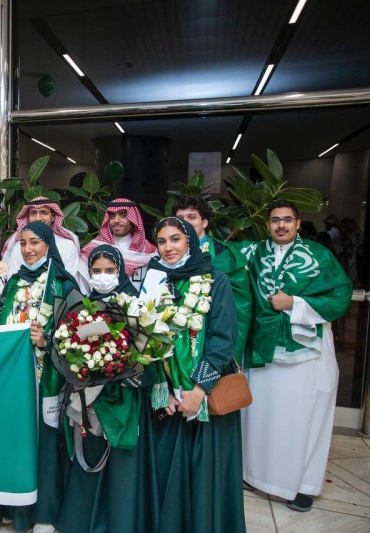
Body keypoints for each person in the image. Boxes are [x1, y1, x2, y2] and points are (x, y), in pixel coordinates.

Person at [241, 200, 352, 512]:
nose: (281, 225)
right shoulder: (252, 253)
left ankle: (303, 485)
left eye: (287, 220)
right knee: (260, 415)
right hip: (263, 347)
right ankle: (256, 475)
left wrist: (295, 303)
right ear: (267, 224)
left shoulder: (319, 256)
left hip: (305, 352)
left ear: (298, 223)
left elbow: (340, 296)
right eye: (275, 220)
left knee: (302, 418)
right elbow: (218, 258)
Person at [139, 216, 245, 533]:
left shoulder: (216, 280)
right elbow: (144, 337)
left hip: (204, 395)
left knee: (204, 473)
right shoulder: (152, 280)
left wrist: (199, 391)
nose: (168, 247)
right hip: (167, 397)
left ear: (190, 240)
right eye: (162, 241)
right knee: (166, 470)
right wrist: (162, 388)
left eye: (175, 239)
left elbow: (223, 339)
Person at [0, 221, 80, 531]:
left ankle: (43, 513)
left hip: (46, 379)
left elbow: (77, 336)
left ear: (48, 244)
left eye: (35, 242)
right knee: (14, 442)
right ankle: (15, 509)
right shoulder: (14, 282)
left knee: (44, 446)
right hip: (13, 382)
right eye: (23, 243)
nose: (28, 249)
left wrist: (46, 341)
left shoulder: (63, 284)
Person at [54, 244, 161, 533]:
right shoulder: (81, 308)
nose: (102, 277)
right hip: (90, 398)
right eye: (96, 271)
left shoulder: (135, 307)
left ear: (121, 271)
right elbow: (69, 345)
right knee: (89, 453)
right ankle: (82, 522)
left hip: (124, 398)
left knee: (122, 464)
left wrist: (127, 370)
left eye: (110, 271)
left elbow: (150, 355)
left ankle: (121, 523)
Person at [174, 195, 253, 365]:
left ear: (204, 222)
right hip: (175, 342)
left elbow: (241, 309)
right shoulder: (167, 256)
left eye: (191, 217)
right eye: (180, 219)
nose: (185, 223)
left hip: (214, 341)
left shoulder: (224, 255)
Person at [0, 197, 82, 283]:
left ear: (53, 216)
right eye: (33, 213)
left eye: (43, 212)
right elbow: (12, 280)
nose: (37, 218)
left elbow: (70, 282)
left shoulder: (67, 246)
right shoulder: (18, 246)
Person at [81, 198, 157, 285]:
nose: (116, 221)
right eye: (112, 216)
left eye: (123, 215)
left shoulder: (148, 250)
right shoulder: (94, 247)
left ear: (133, 219)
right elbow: (83, 283)